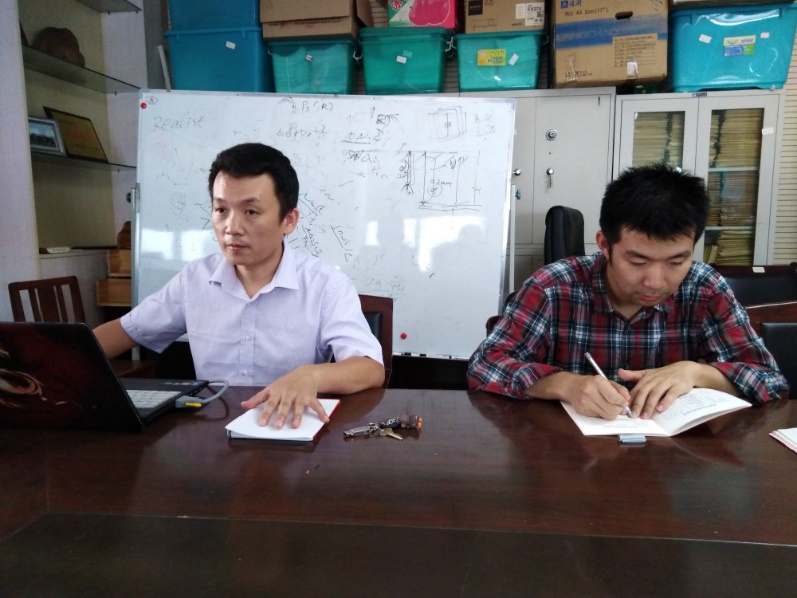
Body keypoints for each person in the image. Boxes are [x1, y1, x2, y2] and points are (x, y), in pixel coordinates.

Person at [94, 143, 385, 428]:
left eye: (251, 212)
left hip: (289, 429)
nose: (232, 228)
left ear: (288, 220)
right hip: (213, 431)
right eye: (221, 209)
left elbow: (370, 369)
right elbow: (126, 331)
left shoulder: (326, 285)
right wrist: (67, 359)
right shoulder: (194, 279)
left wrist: (311, 376)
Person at [467, 163, 788, 420]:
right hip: (570, 458)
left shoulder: (704, 288)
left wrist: (697, 373)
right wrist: (564, 384)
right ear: (605, 244)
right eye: (637, 261)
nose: (655, 281)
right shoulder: (553, 287)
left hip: (674, 464)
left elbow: (771, 381)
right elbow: (484, 366)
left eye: (676, 261)